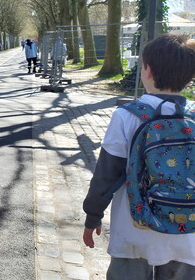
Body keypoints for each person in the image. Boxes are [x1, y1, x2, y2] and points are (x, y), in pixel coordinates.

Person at [82, 34, 195, 279]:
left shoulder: (126, 116)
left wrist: (93, 216)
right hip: (187, 231)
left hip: (135, 228)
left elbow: (107, 174)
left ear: (147, 70)